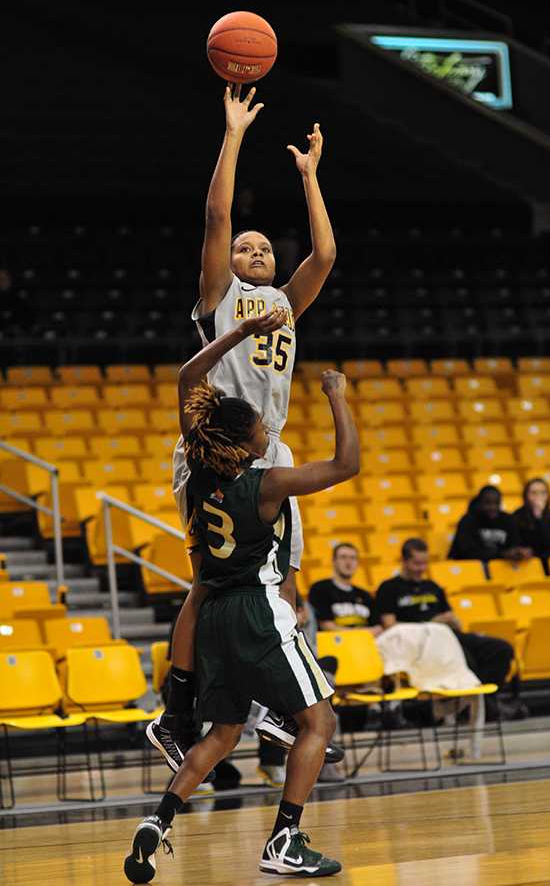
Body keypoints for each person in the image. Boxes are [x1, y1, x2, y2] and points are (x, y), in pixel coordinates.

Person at [124, 326, 358, 882]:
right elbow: (346, 464)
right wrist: (337, 398)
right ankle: (285, 838)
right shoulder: (266, 483)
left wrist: (242, 333)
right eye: (258, 425)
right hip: (257, 607)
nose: (264, 428)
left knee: (224, 733)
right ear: (249, 441)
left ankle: (158, 822)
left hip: (214, 615)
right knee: (320, 723)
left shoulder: (201, 470)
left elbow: (186, 379)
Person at [151, 82, 336, 769]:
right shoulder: (219, 297)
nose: (254, 251)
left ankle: (277, 705)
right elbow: (216, 214)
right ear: (227, 266)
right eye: (245, 248)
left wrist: (311, 179)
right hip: (214, 451)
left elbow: (325, 259)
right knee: (211, 580)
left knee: (284, 579)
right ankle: (176, 707)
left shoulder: (286, 304)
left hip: (268, 452)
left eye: (263, 247)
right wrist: (233, 134)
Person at [375, 538, 520, 718]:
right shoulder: (389, 588)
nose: (421, 569)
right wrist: (432, 623)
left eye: (424, 563)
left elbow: (453, 619)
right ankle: (481, 707)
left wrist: (452, 620)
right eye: (416, 563)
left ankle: (479, 703)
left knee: (501, 649)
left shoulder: (433, 587)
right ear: (404, 561)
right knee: (465, 659)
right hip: (420, 644)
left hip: (449, 635)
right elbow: (390, 626)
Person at [309, 542, 380, 632]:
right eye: (343, 557)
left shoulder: (365, 595)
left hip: (365, 643)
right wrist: (360, 634)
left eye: (352, 558)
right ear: (334, 561)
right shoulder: (320, 589)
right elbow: (326, 626)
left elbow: (378, 628)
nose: (348, 562)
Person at [448, 485, 529, 563]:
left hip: (501, 568)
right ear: (479, 503)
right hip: (471, 569)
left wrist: (519, 552)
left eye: (496, 503)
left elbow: (515, 543)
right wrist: (502, 554)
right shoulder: (468, 521)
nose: (493, 507)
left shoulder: (508, 520)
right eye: (488, 503)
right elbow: (467, 553)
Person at [512, 478, 550, 565]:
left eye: (543, 493)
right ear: (526, 495)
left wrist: (540, 518)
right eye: (534, 493)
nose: (539, 497)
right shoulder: (517, 516)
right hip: (526, 561)